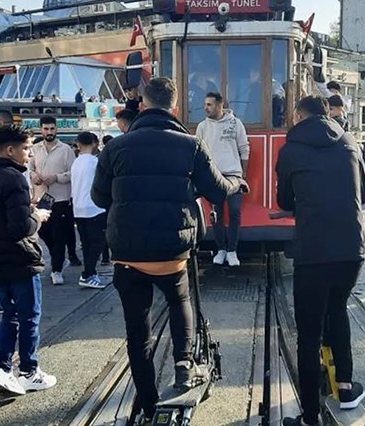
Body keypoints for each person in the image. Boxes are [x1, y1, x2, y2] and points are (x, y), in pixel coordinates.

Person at [92, 78, 245, 424]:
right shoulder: (190, 145)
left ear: (143, 105)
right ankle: (182, 364)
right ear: (174, 108)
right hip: (170, 253)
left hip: (127, 254)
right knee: (179, 300)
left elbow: (99, 198)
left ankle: (147, 402)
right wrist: (237, 182)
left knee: (138, 330)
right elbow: (219, 191)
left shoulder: (117, 147)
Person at [276, 96, 365, 426]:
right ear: (326, 113)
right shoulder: (350, 142)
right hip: (351, 250)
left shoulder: (290, 149)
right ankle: (345, 387)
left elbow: (284, 199)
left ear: (299, 115)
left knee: (309, 333)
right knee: (338, 309)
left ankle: (310, 416)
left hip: (313, 251)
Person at [0, 124, 57, 394]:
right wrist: (38, 216)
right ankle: (29, 370)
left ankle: (2, 368)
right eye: (27, 148)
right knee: (29, 315)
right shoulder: (15, 178)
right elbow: (20, 228)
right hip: (20, 259)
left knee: (10, 314)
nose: (29, 154)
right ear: (10, 149)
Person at [196, 92, 250, 267]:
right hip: (214, 176)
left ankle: (232, 251)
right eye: (205, 104)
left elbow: (244, 148)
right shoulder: (202, 127)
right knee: (216, 214)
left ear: (221, 105)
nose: (206, 108)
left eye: (210, 104)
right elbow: (198, 153)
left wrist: (243, 175)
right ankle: (221, 250)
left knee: (234, 212)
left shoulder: (236, 123)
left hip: (234, 175)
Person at [29, 116, 80, 285]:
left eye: (52, 129)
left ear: (56, 129)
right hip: (42, 198)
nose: (49, 132)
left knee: (59, 235)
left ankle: (57, 269)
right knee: (44, 232)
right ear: (41, 129)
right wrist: (34, 175)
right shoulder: (35, 149)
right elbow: (29, 168)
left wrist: (56, 177)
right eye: (46, 129)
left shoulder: (66, 149)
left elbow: (73, 173)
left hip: (61, 198)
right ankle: (58, 257)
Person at [71, 131, 110, 289]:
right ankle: (87, 274)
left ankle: (91, 273)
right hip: (94, 207)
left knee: (86, 243)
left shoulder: (76, 163)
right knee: (98, 242)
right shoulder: (95, 163)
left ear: (79, 144)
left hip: (78, 208)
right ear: (95, 143)